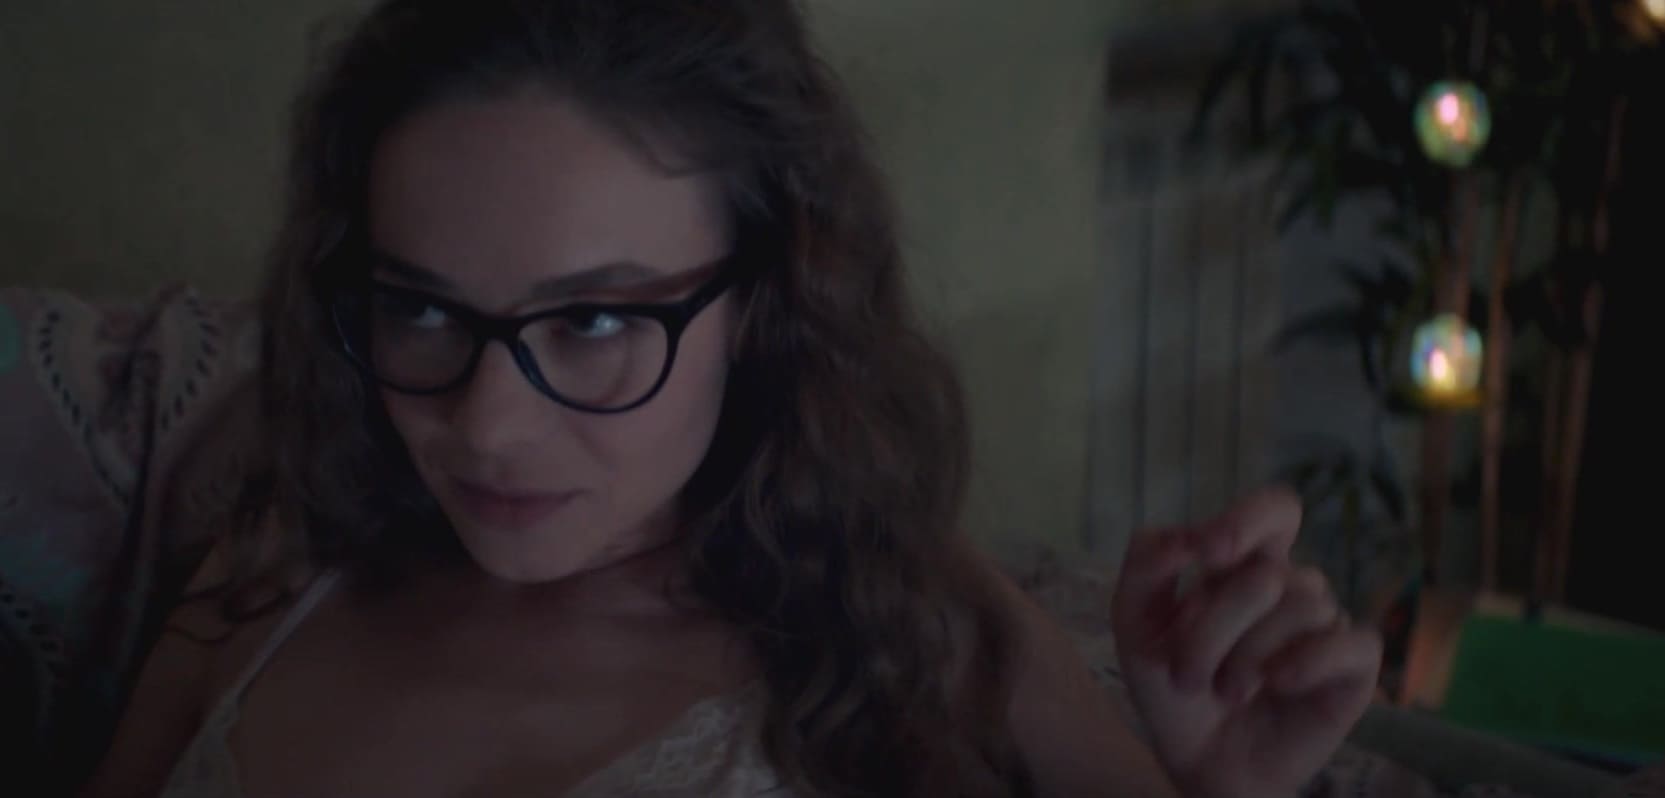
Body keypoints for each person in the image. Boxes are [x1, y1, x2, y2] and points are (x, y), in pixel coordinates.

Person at [80, 1, 1382, 796]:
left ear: (766, 301)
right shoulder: (269, 572)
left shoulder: (910, 621)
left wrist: (1217, 788)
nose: (484, 427)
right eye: (418, 308)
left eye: (593, 321)